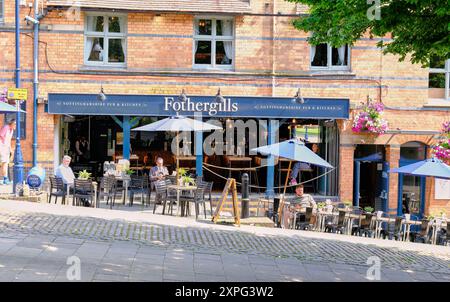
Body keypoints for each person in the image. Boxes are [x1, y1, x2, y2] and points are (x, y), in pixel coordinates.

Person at [0, 119, 16, 185]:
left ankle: (5, 179)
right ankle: (5, 179)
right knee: (4, 162)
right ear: (11, 124)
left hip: (6, 148)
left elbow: (8, 140)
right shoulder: (6, 127)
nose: (15, 126)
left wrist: (10, 149)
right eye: (15, 124)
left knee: (5, 163)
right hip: (2, 147)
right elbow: (0, 136)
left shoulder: (11, 130)